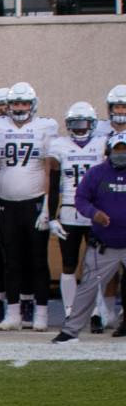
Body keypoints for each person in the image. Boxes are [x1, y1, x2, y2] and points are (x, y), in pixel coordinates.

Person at [0, 81, 57, 331]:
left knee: (38, 261)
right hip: (6, 203)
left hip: (35, 202)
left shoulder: (45, 127)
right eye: (15, 103)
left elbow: (49, 170)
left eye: (24, 103)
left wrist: (48, 205)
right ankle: (13, 313)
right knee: (11, 261)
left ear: (33, 104)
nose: (19, 107)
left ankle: (41, 313)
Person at [56, 130, 126, 343]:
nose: (121, 154)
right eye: (118, 150)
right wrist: (94, 214)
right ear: (109, 151)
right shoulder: (96, 174)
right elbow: (81, 199)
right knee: (88, 287)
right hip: (105, 244)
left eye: (125, 150)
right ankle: (71, 330)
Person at [46, 103, 107, 332]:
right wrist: (51, 216)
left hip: (94, 212)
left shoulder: (102, 145)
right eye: (75, 124)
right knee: (68, 264)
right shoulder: (59, 145)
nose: (80, 129)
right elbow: (52, 185)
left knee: (97, 266)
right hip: (70, 211)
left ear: (92, 124)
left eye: (84, 124)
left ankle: (96, 312)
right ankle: (71, 312)